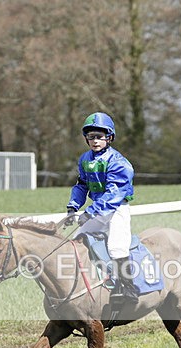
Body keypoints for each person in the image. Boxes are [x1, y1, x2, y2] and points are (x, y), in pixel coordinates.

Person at [64, 112, 139, 304]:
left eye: (100, 136)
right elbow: (81, 186)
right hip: (97, 209)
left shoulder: (119, 162)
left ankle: (129, 289)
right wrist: (73, 207)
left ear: (109, 137)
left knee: (116, 247)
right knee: (76, 239)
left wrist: (90, 212)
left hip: (116, 209)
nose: (95, 141)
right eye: (91, 137)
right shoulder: (84, 160)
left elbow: (114, 195)